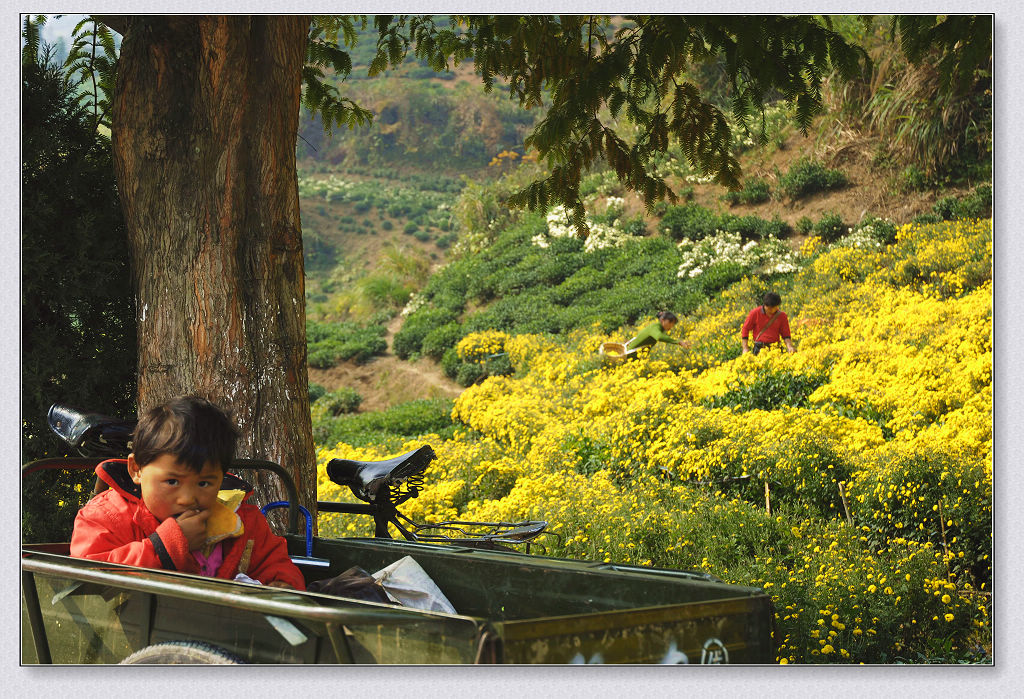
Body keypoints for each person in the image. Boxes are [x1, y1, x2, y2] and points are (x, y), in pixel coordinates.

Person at [70, 396, 305, 590]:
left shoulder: (241, 520)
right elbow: (87, 575)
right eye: (172, 481)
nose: (188, 498)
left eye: (204, 483)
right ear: (136, 470)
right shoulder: (108, 516)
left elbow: (274, 562)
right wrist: (165, 546)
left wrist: (282, 584)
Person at [626, 311, 691, 353]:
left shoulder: (656, 327)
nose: (671, 326)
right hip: (630, 354)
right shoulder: (655, 328)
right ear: (662, 320)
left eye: (673, 324)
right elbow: (659, 337)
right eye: (670, 322)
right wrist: (678, 342)